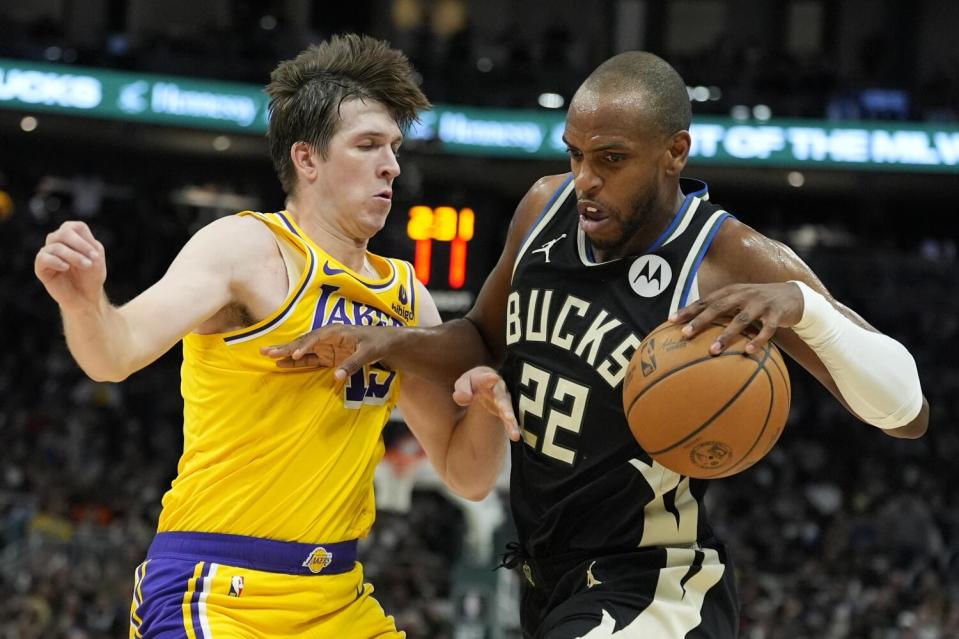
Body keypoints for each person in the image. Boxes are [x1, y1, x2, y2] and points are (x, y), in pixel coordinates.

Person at [264, 51, 930, 638]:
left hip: (655, 585)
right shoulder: (542, 208)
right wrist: (387, 342)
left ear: (674, 152)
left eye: (611, 159)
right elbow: (481, 338)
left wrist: (805, 308)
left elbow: (906, 411)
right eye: (574, 154)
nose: (585, 178)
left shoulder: (731, 257)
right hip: (545, 576)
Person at [34, 34, 516, 638]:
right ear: (307, 159)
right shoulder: (247, 248)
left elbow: (467, 475)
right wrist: (84, 303)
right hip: (218, 586)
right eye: (367, 145)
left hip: (338, 599)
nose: (391, 164)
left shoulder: (406, 295)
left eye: (393, 147)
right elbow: (115, 352)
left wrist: (492, 400)